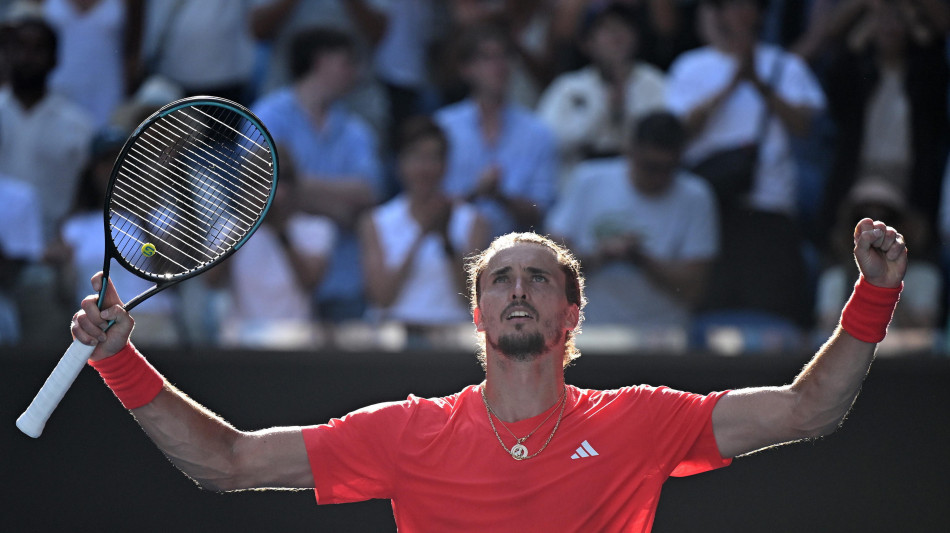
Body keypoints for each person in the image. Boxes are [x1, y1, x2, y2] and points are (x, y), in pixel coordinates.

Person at [72, 214, 906, 531]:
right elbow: (228, 462)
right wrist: (119, 362)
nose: (517, 288)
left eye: (538, 276)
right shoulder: (406, 432)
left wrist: (872, 294)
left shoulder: (642, 420)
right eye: (499, 278)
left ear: (570, 314)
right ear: (476, 314)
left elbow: (810, 407)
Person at [251, 26, 384, 323]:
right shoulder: (268, 115)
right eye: (347, 62)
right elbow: (255, 189)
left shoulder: (355, 129)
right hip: (279, 280)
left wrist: (291, 188)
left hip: (344, 280)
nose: (356, 72)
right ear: (320, 61)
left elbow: (369, 192)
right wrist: (338, 208)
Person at [545, 111, 718, 331]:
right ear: (631, 151)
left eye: (668, 169)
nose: (659, 177)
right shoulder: (588, 180)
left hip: (663, 333)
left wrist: (641, 259)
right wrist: (601, 255)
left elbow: (694, 289)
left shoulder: (696, 196)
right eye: (651, 167)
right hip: (591, 330)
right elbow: (551, 266)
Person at [358, 116, 490, 347]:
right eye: (416, 157)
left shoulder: (472, 221)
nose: (425, 168)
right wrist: (421, 234)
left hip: (454, 336)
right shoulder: (376, 221)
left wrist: (447, 240)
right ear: (400, 163)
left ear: (445, 164)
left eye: (433, 158)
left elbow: (473, 298)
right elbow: (381, 296)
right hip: (393, 336)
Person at [434, 23, 559, 238]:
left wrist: (501, 197)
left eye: (504, 57)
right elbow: (429, 205)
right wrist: (477, 192)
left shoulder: (538, 132)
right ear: (466, 69)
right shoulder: (443, 126)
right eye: (487, 58)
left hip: (515, 254)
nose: (498, 66)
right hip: (454, 249)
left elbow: (542, 212)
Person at [537, 3, 667, 189]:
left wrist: (624, 112)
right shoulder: (568, 87)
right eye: (606, 29)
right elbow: (545, 141)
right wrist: (600, 114)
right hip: (581, 185)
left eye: (624, 27)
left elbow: (665, 139)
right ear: (587, 43)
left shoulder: (655, 82)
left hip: (640, 185)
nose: (617, 35)